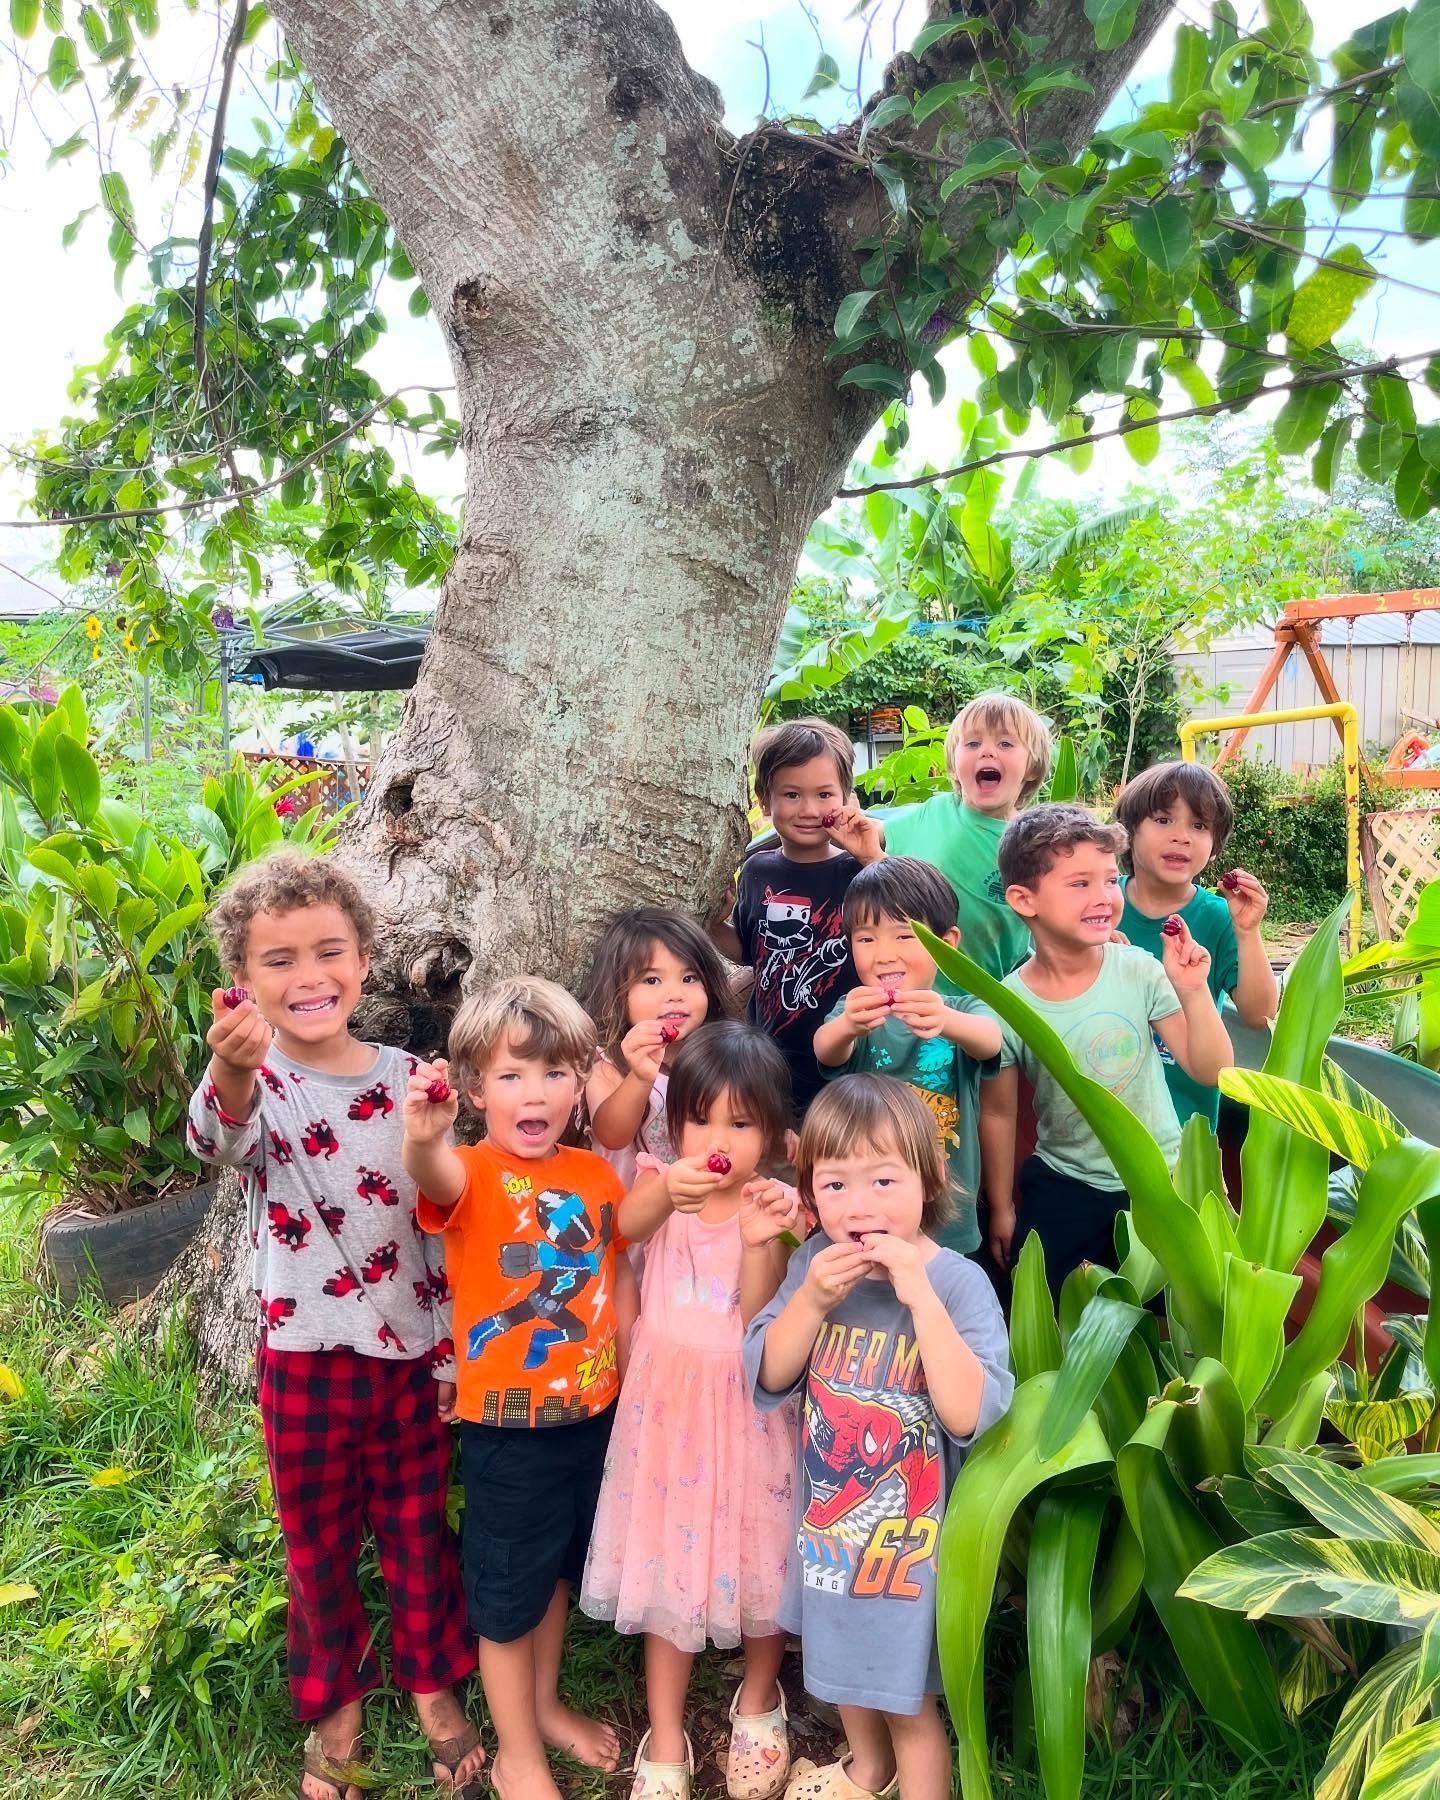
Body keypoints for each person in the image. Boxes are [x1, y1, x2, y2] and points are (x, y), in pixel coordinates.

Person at [187, 849, 481, 1800]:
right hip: (303, 1357)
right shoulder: (256, 1080)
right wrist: (231, 1077)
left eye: (328, 952)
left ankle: (434, 1682)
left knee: (416, 1526)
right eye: (279, 961)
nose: (308, 977)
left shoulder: (408, 1078)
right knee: (314, 1535)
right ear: (244, 980)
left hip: (409, 1358)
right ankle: (337, 1694)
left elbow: (441, 1225)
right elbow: (219, 1140)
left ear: (362, 959)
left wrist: (448, 1355)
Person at [743, 1077, 1013, 1800]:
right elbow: (768, 1372)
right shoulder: (813, 1269)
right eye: (835, 1184)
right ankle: (867, 1769)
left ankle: (914, 1779)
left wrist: (918, 1295)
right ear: (810, 1191)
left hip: (913, 1554)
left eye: (883, 1179)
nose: (858, 1205)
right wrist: (809, 1299)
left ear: (929, 1184)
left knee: (910, 1704)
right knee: (838, 1668)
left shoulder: (958, 1285)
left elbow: (967, 1414)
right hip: (833, 1539)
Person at [403, 978, 629, 1800]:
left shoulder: (596, 1174)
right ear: (473, 1091)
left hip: (588, 1418)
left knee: (554, 1575)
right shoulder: (471, 1170)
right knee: (504, 1597)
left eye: (553, 1074)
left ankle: (543, 1708)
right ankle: (516, 1755)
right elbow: (432, 1174)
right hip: (507, 1430)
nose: (534, 1093)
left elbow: (625, 1249)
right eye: (510, 1076)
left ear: (580, 1083)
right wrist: (422, 1136)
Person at [581, 1021, 802, 1800]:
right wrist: (664, 1189)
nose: (719, 1140)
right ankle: (666, 1733)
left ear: (772, 1132)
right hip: (669, 1413)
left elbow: (757, 1317)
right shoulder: (659, 1181)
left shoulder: (777, 1206)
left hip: (747, 1409)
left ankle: (758, 1695)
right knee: (663, 1565)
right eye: (701, 1120)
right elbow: (618, 1230)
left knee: (762, 1547)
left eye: (741, 1124)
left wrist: (756, 1236)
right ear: (673, 1127)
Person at [979, 806, 1233, 1297]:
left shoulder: (1138, 969)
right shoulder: (1007, 1004)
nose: (1104, 898)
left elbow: (1211, 1071)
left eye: (1111, 881)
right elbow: (998, 1113)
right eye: (1080, 884)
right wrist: (1003, 1207)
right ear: (1023, 899)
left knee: (1175, 1319)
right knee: (1048, 1316)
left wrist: (1194, 991)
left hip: (1162, 1180)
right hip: (1065, 1182)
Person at [811, 858, 1001, 1258]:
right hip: (871, 1209)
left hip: (950, 1211)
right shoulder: (855, 1008)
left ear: (945, 944)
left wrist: (946, 1021)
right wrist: (847, 1026)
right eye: (866, 940)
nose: (883, 955)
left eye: (903, 936)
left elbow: (991, 1041)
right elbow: (825, 1049)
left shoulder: (964, 1009)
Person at [712, 718, 878, 1115]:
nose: (808, 809)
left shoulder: (859, 870)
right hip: (773, 1058)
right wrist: (713, 923)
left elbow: (912, 923)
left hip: (850, 1058)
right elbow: (750, 950)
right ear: (764, 800)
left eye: (824, 795)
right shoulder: (756, 871)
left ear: (846, 798)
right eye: (791, 794)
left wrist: (871, 856)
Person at [1115, 760, 1277, 1129]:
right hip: (1101, 1119)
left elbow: (1259, 1014)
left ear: (1214, 845)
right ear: (1128, 832)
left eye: (1199, 825)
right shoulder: (1101, 905)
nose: (1182, 836)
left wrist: (1248, 932)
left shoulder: (1218, 916)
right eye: (1163, 819)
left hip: (1185, 1124)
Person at [874, 692, 1054, 980]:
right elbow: (873, 836)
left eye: (1005, 743)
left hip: (988, 995)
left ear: (1032, 766)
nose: (987, 751)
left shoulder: (1036, 842)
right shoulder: (935, 812)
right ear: (954, 763)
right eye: (972, 743)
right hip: (915, 989)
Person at [582, 906, 738, 1190]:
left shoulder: (722, 1060)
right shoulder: (608, 1066)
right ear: (619, 992)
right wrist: (640, 1078)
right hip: (631, 1218)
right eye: (652, 980)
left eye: (689, 978)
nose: (675, 995)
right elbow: (612, 1136)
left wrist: (778, 1138)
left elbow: (746, 1120)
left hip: (693, 1217)